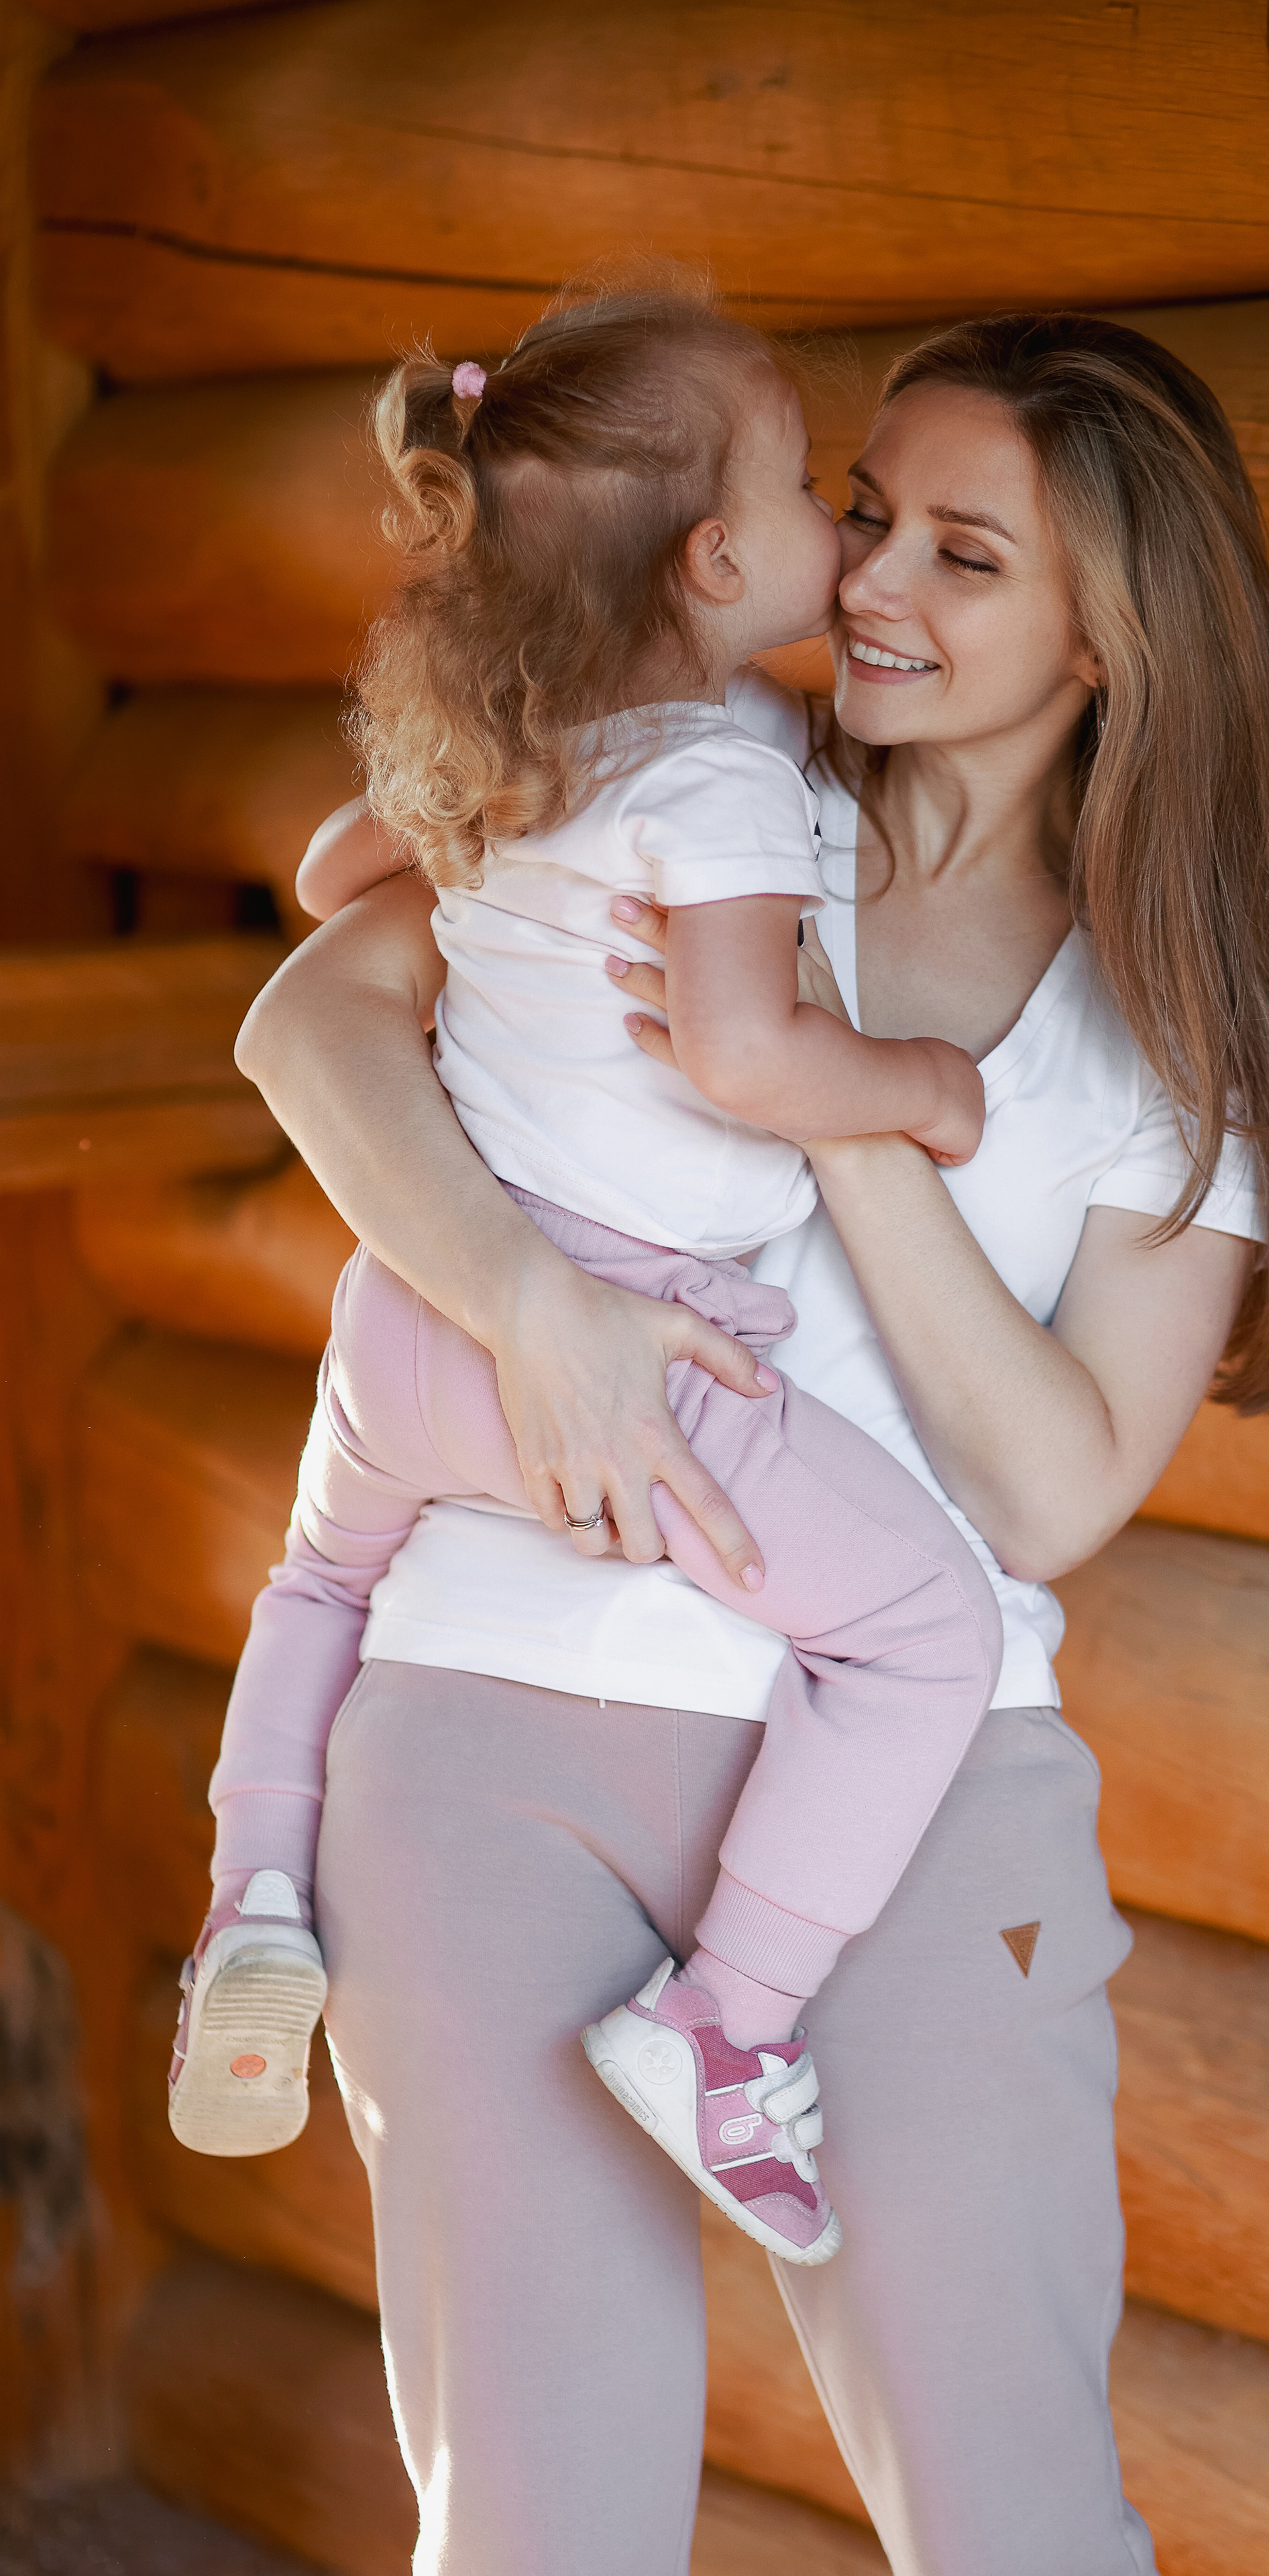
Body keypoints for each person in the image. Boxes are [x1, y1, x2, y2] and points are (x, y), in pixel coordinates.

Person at [233, 307, 1269, 2576]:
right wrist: (536, 1307)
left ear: (1106, 641)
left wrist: (842, 1110)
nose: (869, 582)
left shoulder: (1171, 1031)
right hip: (489, 1739)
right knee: (537, 2534)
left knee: (1015, 2524)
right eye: (867, 513)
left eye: (968, 556)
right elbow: (312, 1014)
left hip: (920, 1795)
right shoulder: (670, 774)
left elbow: (1054, 1487)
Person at [169, 289, 1013, 2277]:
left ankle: (257, 1897)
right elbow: (743, 1055)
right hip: (632, 1341)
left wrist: (479, 838)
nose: (839, 532)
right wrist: (922, 1087)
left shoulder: (530, 743)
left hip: (415, 1323)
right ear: (723, 563)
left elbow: (322, 883)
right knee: (918, 1637)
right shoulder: (721, 784)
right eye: (816, 492)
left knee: (315, 1581)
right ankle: (727, 2020)